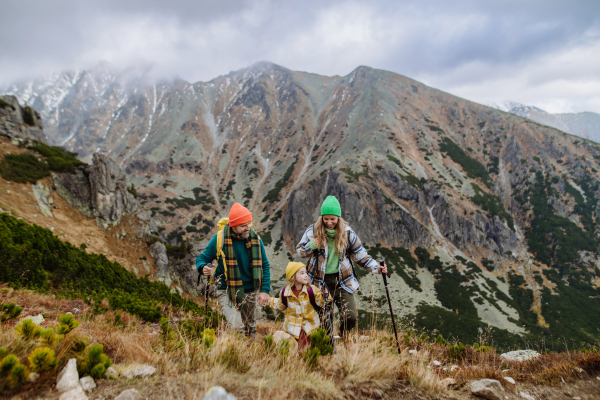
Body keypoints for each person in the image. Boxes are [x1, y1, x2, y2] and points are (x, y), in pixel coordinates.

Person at [296, 195, 387, 338]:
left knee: (350, 316)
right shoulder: (313, 230)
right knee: (325, 320)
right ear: (322, 217)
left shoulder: (347, 233)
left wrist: (377, 268)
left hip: (342, 281)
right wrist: (312, 244)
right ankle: (328, 349)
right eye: (326, 218)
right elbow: (300, 252)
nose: (329, 222)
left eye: (333, 219)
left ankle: (344, 336)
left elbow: (360, 255)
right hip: (320, 282)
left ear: (338, 217)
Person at [196, 203, 271, 337]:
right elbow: (201, 259)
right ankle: (236, 355)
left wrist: (265, 290)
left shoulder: (256, 240)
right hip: (226, 289)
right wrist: (203, 268)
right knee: (236, 326)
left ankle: (249, 355)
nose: (248, 228)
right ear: (233, 225)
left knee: (250, 326)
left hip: (250, 290)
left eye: (249, 223)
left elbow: (264, 264)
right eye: (243, 226)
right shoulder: (219, 239)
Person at [266, 262, 325, 352]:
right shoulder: (285, 293)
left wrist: (325, 295)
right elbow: (281, 305)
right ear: (293, 277)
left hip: (310, 326)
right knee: (302, 348)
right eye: (302, 273)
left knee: (311, 347)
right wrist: (268, 301)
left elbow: (320, 302)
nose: (306, 275)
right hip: (293, 327)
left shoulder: (311, 290)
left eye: (305, 272)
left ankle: (307, 357)